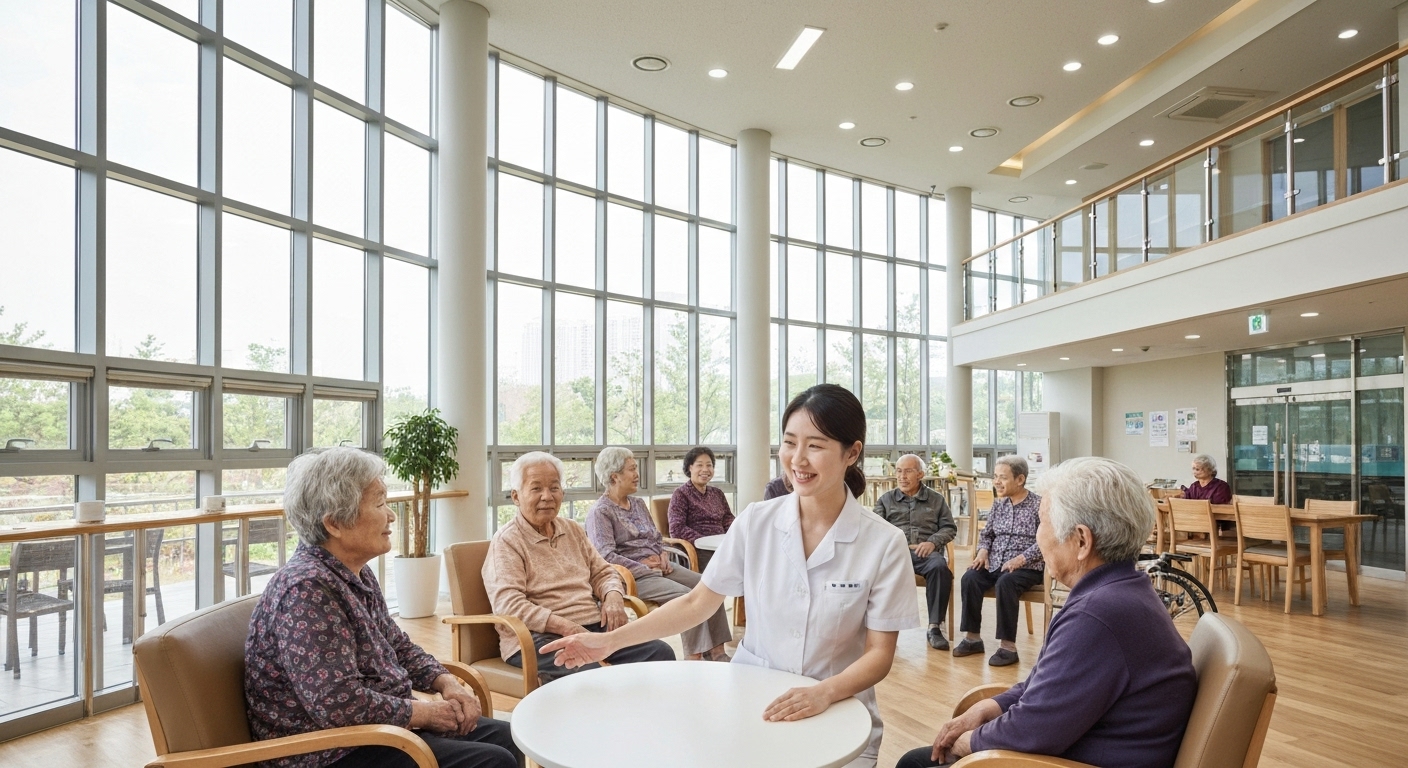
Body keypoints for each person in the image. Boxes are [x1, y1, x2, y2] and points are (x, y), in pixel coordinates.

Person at [544, 384, 919, 768]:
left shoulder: (883, 543)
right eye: (790, 443)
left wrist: (824, 693)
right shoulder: (757, 521)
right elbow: (696, 603)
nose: (797, 459)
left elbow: (879, 654)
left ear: (852, 452)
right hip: (753, 702)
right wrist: (608, 643)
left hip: (839, 709)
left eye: (816, 445)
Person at [897, 457, 1198, 768]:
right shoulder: (1124, 590)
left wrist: (969, 742)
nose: (1038, 536)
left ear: (1081, 540)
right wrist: (992, 705)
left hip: (1075, 759)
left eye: (1042, 522)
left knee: (917, 763)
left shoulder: (1097, 616)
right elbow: (1049, 687)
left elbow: (1033, 728)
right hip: (1090, 743)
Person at [244, 447, 520, 768]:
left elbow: (396, 645)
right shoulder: (307, 589)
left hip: (379, 731)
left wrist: (445, 681)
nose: (391, 515)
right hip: (329, 751)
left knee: (512, 738)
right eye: (379, 503)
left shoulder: (353, 571)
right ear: (334, 523)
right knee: (492, 762)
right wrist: (426, 714)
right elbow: (337, 705)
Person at [483, 451, 675, 685]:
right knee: (591, 674)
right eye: (536, 489)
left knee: (660, 653)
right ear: (516, 496)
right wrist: (565, 626)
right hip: (538, 637)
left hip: (592, 627)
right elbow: (509, 604)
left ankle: (639, 718)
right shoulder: (507, 541)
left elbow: (603, 571)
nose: (547, 496)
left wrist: (613, 596)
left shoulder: (572, 529)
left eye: (554, 488)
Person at [585, 446, 732, 661]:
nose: (637, 474)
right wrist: (644, 565)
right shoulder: (601, 512)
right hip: (633, 575)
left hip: (662, 567)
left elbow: (655, 536)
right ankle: (694, 660)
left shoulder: (637, 503)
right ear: (614, 476)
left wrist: (663, 555)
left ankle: (718, 653)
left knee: (710, 586)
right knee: (687, 598)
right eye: (632, 469)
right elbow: (605, 556)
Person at [953, 455, 1042, 667]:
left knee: (1006, 583)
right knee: (970, 578)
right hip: (995, 562)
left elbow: (1045, 542)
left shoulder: (1039, 505)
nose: (996, 482)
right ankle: (972, 638)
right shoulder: (998, 505)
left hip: (1027, 566)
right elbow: (988, 535)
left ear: (1020, 479)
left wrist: (1020, 559)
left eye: (1002, 477)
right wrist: (983, 552)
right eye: (995, 477)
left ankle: (1008, 647)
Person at [873, 454, 956, 651]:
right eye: (899, 471)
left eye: (908, 471)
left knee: (940, 568)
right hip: (895, 554)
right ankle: (881, 628)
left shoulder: (936, 500)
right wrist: (896, 543)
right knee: (873, 570)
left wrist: (932, 542)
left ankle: (935, 628)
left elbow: (949, 528)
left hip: (926, 554)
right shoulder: (886, 500)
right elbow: (874, 528)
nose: (902, 476)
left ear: (920, 474)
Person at [668, 446, 735, 570]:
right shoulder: (681, 494)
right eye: (699, 465)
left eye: (709, 465)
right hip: (698, 548)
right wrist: (704, 541)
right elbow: (677, 528)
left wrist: (734, 536)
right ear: (690, 467)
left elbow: (728, 519)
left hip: (721, 545)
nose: (705, 469)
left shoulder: (717, 493)